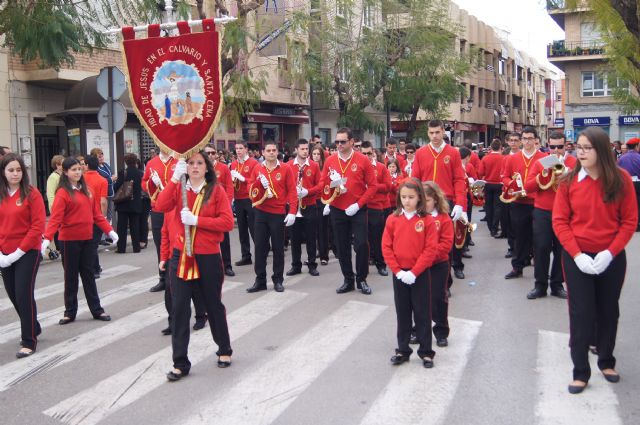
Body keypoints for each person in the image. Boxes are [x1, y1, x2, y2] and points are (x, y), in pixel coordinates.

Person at [552, 126, 637, 394]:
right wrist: (577, 255)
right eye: (578, 147)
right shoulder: (567, 182)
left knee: (608, 310)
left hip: (610, 256)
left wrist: (609, 253)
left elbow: (629, 221)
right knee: (581, 313)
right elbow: (560, 221)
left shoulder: (620, 180)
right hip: (577, 257)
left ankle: (606, 360)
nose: (581, 152)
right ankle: (580, 370)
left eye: (587, 148)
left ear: (600, 150)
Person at [155, 152, 234, 381]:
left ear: (207, 168)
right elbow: (160, 205)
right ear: (185, 167)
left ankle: (224, 349)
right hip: (181, 256)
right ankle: (180, 362)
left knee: (213, 305)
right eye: (191, 163)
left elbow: (227, 222)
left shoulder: (215, 191)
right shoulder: (180, 189)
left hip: (208, 256)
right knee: (179, 309)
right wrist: (172, 180)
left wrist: (198, 221)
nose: (195, 167)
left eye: (200, 163)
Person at [42, 157, 118, 325]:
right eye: (73, 169)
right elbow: (55, 218)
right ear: (66, 172)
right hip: (69, 241)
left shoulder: (87, 190)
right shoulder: (63, 193)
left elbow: (97, 214)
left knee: (89, 275)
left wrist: (109, 230)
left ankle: (97, 309)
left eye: (79, 169)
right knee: (71, 277)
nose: (77, 172)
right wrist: (47, 238)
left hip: (88, 239)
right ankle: (70, 312)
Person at [382, 178, 438, 368]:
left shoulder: (426, 220)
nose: (407, 201)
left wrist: (414, 272)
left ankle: (426, 352)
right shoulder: (392, 219)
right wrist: (397, 271)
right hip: (400, 274)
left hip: (419, 273)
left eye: (411, 197)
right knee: (403, 312)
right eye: (404, 197)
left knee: (422, 312)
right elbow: (386, 247)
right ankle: (403, 349)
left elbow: (430, 249)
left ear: (419, 198)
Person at [321, 127, 377, 295]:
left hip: (357, 209)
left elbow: (373, 186)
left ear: (352, 142)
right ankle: (348, 279)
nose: (339, 144)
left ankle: (362, 279)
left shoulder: (362, 160)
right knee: (342, 246)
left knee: (361, 244)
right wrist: (329, 192)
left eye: (342, 141)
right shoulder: (330, 161)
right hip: (338, 209)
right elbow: (323, 185)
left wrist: (359, 205)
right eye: (336, 142)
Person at [0, 153, 45, 358]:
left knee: (23, 294)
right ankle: (33, 325)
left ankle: (29, 340)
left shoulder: (31, 193)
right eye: (11, 170)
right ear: (3, 172)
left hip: (27, 251)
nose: (15, 174)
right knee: (13, 295)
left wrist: (18, 252)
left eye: (19, 170)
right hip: (4, 252)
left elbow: (37, 226)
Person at [411, 120, 467, 280]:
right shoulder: (421, 153)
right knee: (426, 240)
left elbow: (458, 179)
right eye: (431, 133)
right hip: (426, 203)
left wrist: (460, 204)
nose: (434, 136)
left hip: (446, 202)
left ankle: (452, 271)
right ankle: (432, 275)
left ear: (443, 132)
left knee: (448, 241)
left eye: (437, 132)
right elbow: (415, 179)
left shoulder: (453, 152)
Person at [523, 132, 576, 300]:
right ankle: (540, 285)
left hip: (565, 213)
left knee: (562, 249)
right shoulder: (541, 163)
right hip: (543, 211)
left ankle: (557, 284)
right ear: (548, 145)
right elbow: (528, 186)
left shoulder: (573, 162)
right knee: (541, 248)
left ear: (566, 146)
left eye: (560, 147)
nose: (556, 151)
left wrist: (568, 176)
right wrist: (543, 174)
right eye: (552, 147)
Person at [246, 142, 297, 293]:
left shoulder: (285, 168)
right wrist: (258, 184)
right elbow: (249, 186)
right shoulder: (258, 168)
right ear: (263, 152)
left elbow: (292, 191)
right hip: (261, 212)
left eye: (274, 150)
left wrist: (293, 211)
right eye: (268, 150)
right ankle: (260, 280)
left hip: (277, 212)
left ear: (277, 152)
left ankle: (278, 279)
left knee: (278, 248)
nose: (271, 153)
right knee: (260, 247)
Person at [501, 127, 547, 279]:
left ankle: (540, 270)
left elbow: (548, 179)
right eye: (524, 138)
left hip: (538, 203)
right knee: (519, 237)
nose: (527, 141)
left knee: (539, 238)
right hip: (519, 202)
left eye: (530, 138)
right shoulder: (512, 158)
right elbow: (505, 177)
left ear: (535, 140)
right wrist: (513, 185)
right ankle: (517, 267)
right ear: (521, 140)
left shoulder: (544, 157)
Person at [422, 181, 454, 347]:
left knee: (438, 298)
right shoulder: (416, 217)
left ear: (435, 199)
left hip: (438, 264)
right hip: (419, 265)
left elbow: (446, 244)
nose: (423, 204)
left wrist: (428, 255)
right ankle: (417, 329)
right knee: (419, 299)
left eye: (427, 200)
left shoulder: (443, 218)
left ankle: (441, 331)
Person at [142, 148, 177, 292]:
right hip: (158, 208)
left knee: (175, 243)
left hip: (174, 208)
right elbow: (143, 182)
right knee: (160, 244)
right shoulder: (151, 163)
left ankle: (175, 276)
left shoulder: (178, 161)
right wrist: (151, 182)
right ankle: (162, 277)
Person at [287, 139, 322, 277]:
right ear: (296, 149)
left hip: (310, 205)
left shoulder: (313, 166)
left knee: (311, 237)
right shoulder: (289, 165)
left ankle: (312, 264)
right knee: (294, 238)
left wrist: (308, 191)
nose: (305, 151)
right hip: (294, 207)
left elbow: (319, 186)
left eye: (306, 149)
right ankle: (296, 265)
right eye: (302, 149)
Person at [203, 145, 235, 276]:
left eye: (213, 152)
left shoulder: (223, 168)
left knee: (224, 240)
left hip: (220, 209)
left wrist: (225, 206)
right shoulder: (200, 168)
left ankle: (227, 265)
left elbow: (229, 188)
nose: (210, 155)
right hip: (205, 210)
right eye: (208, 153)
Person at [362, 141, 391, 276]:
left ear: (373, 152)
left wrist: (373, 186)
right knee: (362, 240)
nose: (366, 155)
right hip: (361, 207)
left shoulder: (381, 167)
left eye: (369, 153)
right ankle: (365, 265)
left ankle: (381, 264)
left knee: (378, 238)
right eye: (363, 153)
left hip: (376, 207)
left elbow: (387, 187)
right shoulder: (357, 167)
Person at [230, 141, 260, 267]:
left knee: (253, 228)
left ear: (246, 149)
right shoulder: (233, 164)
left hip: (249, 199)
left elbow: (256, 181)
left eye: (241, 148)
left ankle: (260, 253)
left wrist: (243, 178)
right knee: (242, 229)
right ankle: (246, 256)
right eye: (236, 148)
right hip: (238, 199)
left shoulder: (253, 163)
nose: (238, 151)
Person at [83, 155, 108, 278]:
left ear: (86, 165)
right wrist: (103, 219)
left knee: (90, 245)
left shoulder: (81, 179)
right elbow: (103, 201)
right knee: (93, 244)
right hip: (97, 216)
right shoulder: (102, 180)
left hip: (84, 217)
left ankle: (94, 269)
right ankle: (95, 268)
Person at [114, 153, 144, 253]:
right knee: (135, 226)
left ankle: (121, 248)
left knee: (121, 227)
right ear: (136, 161)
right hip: (136, 202)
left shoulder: (123, 173)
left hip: (123, 203)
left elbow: (117, 186)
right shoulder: (140, 173)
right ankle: (136, 247)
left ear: (126, 162)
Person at [312, 145, 332, 266]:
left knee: (322, 229)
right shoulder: (308, 167)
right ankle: (313, 254)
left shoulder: (325, 168)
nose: (316, 156)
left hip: (322, 200)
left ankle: (324, 255)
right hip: (310, 201)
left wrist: (328, 203)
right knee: (312, 230)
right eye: (314, 154)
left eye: (318, 154)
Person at [479, 140, 504, 237]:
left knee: (488, 207)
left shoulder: (485, 158)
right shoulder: (503, 158)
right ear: (500, 147)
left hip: (488, 184)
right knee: (498, 207)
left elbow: (481, 172)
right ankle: (495, 227)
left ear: (491, 148)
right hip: (499, 184)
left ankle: (490, 228)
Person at [90, 148, 117, 238]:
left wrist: (112, 178)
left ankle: (107, 234)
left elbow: (111, 174)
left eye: (102, 156)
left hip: (110, 192)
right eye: (99, 157)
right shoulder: (95, 168)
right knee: (102, 215)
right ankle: (101, 237)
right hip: (102, 194)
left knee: (109, 215)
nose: (101, 158)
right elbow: (101, 180)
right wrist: (111, 179)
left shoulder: (105, 165)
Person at [617, 137, 640, 231]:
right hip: (638, 183)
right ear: (637, 146)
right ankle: (637, 223)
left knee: (628, 204)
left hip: (625, 183)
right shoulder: (638, 157)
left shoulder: (622, 158)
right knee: (638, 203)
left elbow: (617, 171)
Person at [46, 154, 65, 260]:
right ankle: (59, 247)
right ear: (57, 165)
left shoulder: (64, 175)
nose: (62, 166)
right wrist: (54, 207)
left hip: (63, 205)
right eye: (61, 164)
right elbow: (50, 194)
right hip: (56, 206)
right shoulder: (53, 177)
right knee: (57, 228)